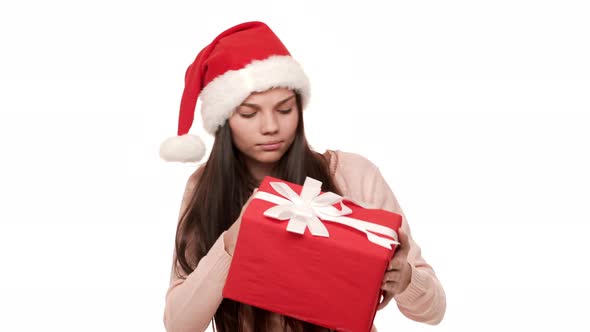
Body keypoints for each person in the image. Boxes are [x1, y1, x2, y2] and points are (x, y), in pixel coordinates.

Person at [159, 21, 446, 332]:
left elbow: (433, 311)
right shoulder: (204, 187)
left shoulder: (351, 173)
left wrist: (406, 280)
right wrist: (231, 242)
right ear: (224, 120)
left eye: (284, 109)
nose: (270, 126)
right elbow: (179, 326)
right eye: (249, 113)